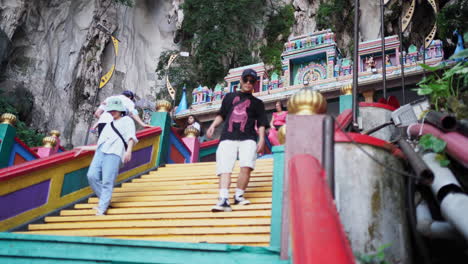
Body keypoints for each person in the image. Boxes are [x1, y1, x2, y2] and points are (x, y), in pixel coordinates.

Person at [206, 68, 269, 212]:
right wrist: (213, 126)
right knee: (225, 168)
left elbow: (261, 124)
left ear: (255, 83)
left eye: (251, 81)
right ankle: (223, 199)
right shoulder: (229, 97)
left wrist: (261, 140)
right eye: (246, 80)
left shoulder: (258, 103)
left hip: (248, 138)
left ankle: (239, 195)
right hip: (228, 136)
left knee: (246, 166)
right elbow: (222, 114)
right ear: (241, 80)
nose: (248, 83)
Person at [75, 97, 138, 216]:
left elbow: (131, 137)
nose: (112, 111)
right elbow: (99, 145)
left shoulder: (127, 120)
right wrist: (84, 148)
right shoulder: (109, 125)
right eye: (110, 110)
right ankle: (105, 200)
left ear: (121, 110)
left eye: (115, 109)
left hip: (114, 153)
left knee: (107, 181)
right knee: (91, 176)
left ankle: (101, 209)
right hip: (100, 152)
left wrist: (128, 151)